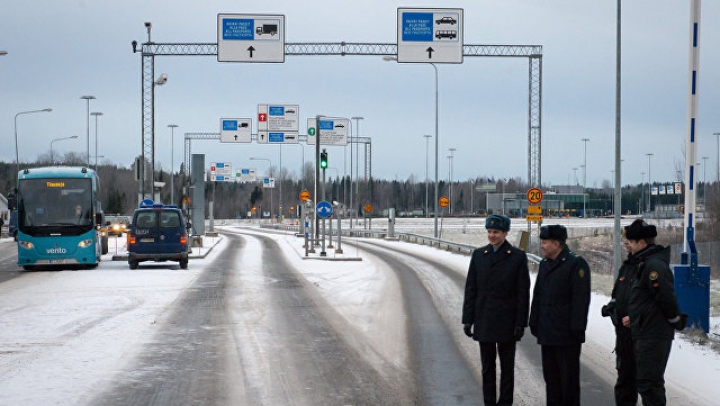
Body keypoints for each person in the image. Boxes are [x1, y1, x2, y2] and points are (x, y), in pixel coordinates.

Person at [462, 214, 530, 406]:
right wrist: (468, 319)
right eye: (489, 232)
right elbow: (471, 289)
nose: (492, 236)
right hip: (484, 319)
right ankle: (489, 402)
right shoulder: (479, 255)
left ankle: (505, 402)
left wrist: (520, 323)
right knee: (487, 368)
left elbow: (522, 293)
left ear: (505, 233)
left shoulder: (517, 257)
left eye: (496, 232)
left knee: (507, 368)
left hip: (506, 321)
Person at [623, 219, 686, 406]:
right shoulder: (644, 263)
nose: (629, 246)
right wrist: (634, 318)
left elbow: (665, 298)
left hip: (654, 334)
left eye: (631, 242)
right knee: (647, 383)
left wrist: (676, 320)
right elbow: (647, 301)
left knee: (650, 385)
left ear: (641, 243)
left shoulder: (653, 266)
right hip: (645, 330)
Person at [529, 224, 591, 406]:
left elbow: (581, 300)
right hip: (547, 333)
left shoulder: (575, 264)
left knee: (568, 383)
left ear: (557, 244)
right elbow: (538, 295)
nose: (542, 246)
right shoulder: (545, 264)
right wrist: (534, 321)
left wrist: (577, 328)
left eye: (545, 242)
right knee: (551, 381)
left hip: (566, 335)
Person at [601, 238, 638, 406]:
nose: (626, 244)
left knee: (646, 383)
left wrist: (635, 316)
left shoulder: (649, 266)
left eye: (630, 241)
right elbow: (617, 295)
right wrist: (612, 307)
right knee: (624, 379)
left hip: (641, 335)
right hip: (623, 334)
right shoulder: (627, 266)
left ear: (642, 241)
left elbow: (658, 302)